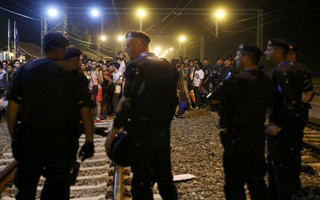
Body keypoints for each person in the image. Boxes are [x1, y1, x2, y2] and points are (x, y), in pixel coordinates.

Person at [7, 32, 95, 200]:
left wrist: (13, 137)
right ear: (63, 50)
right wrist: (89, 140)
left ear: (44, 48)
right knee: (57, 188)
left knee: (26, 189)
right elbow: (85, 109)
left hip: (30, 138)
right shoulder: (71, 72)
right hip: (62, 141)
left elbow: (13, 106)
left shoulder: (26, 69)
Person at [105, 31, 178, 200]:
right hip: (162, 131)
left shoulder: (136, 65)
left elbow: (127, 100)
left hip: (141, 132)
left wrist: (113, 131)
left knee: (141, 181)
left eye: (128, 45)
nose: (126, 49)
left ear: (139, 45)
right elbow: (173, 100)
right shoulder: (167, 66)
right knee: (165, 177)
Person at [209, 44, 275, 200]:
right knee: (256, 180)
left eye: (238, 56)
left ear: (246, 58)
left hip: (236, 140)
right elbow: (276, 102)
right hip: (258, 137)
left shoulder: (235, 79)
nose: (235, 59)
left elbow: (213, 98)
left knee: (234, 183)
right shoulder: (267, 80)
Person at [265, 38, 305, 200]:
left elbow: (290, 101)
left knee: (279, 168)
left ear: (277, 52)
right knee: (286, 165)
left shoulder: (283, 71)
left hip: (283, 128)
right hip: (291, 125)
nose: (266, 53)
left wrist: (278, 125)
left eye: (269, 50)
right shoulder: (292, 69)